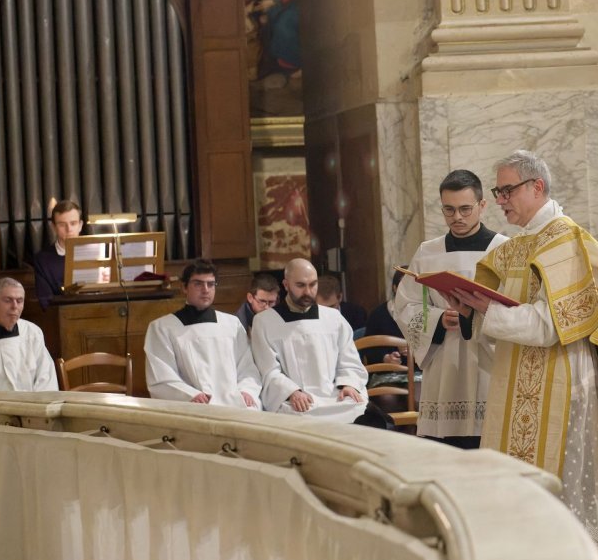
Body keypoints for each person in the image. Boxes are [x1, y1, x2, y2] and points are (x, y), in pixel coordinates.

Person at [451, 151, 598, 560]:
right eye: (497, 192)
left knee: (565, 482)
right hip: (515, 381)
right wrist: (472, 310)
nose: (501, 200)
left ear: (538, 187)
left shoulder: (564, 239)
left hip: (562, 382)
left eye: (506, 190)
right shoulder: (513, 248)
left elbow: (553, 326)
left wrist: (487, 312)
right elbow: (502, 316)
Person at [393, 169, 508, 448]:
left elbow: (513, 307)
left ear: (482, 206)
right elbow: (406, 305)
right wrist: (437, 319)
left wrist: (475, 315)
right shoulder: (427, 252)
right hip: (444, 364)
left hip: (486, 361)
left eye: (465, 209)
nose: (457, 217)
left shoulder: (503, 250)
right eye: (449, 210)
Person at [251, 257, 369, 420]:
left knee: (359, 408)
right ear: (286, 285)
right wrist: (292, 392)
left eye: (313, 284)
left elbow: (349, 361)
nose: (308, 292)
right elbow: (268, 370)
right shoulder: (264, 321)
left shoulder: (334, 317)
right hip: (298, 401)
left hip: (336, 396)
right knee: (299, 416)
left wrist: (349, 384)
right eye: (300, 285)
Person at [144, 259, 262, 408]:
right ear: (184, 287)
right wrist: (191, 395)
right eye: (198, 284)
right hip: (193, 406)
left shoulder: (232, 324)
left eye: (211, 284)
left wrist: (246, 391)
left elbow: (247, 368)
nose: (205, 289)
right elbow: (161, 377)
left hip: (235, 403)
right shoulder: (162, 328)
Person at [33, 200, 84, 309]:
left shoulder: (98, 252)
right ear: (53, 227)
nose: (69, 229)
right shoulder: (42, 260)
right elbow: (45, 301)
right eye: (62, 224)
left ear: (80, 225)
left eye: (73, 223)